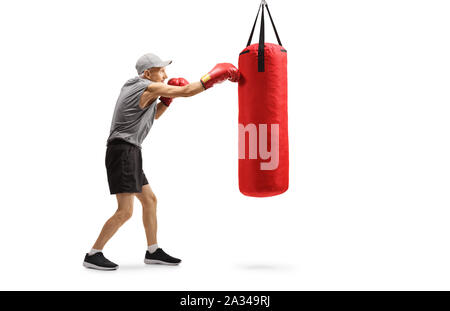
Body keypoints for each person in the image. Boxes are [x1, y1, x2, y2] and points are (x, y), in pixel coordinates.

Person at [83, 53, 240, 270]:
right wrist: (212, 77)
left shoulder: (137, 88)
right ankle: (93, 253)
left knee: (150, 200)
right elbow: (188, 91)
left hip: (129, 150)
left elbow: (153, 115)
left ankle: (153, 250)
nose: (166, 75)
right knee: (125, 211)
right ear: (148, 73)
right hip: (123, 151)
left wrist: (166, 101)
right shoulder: (148, 86)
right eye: (161, 70)